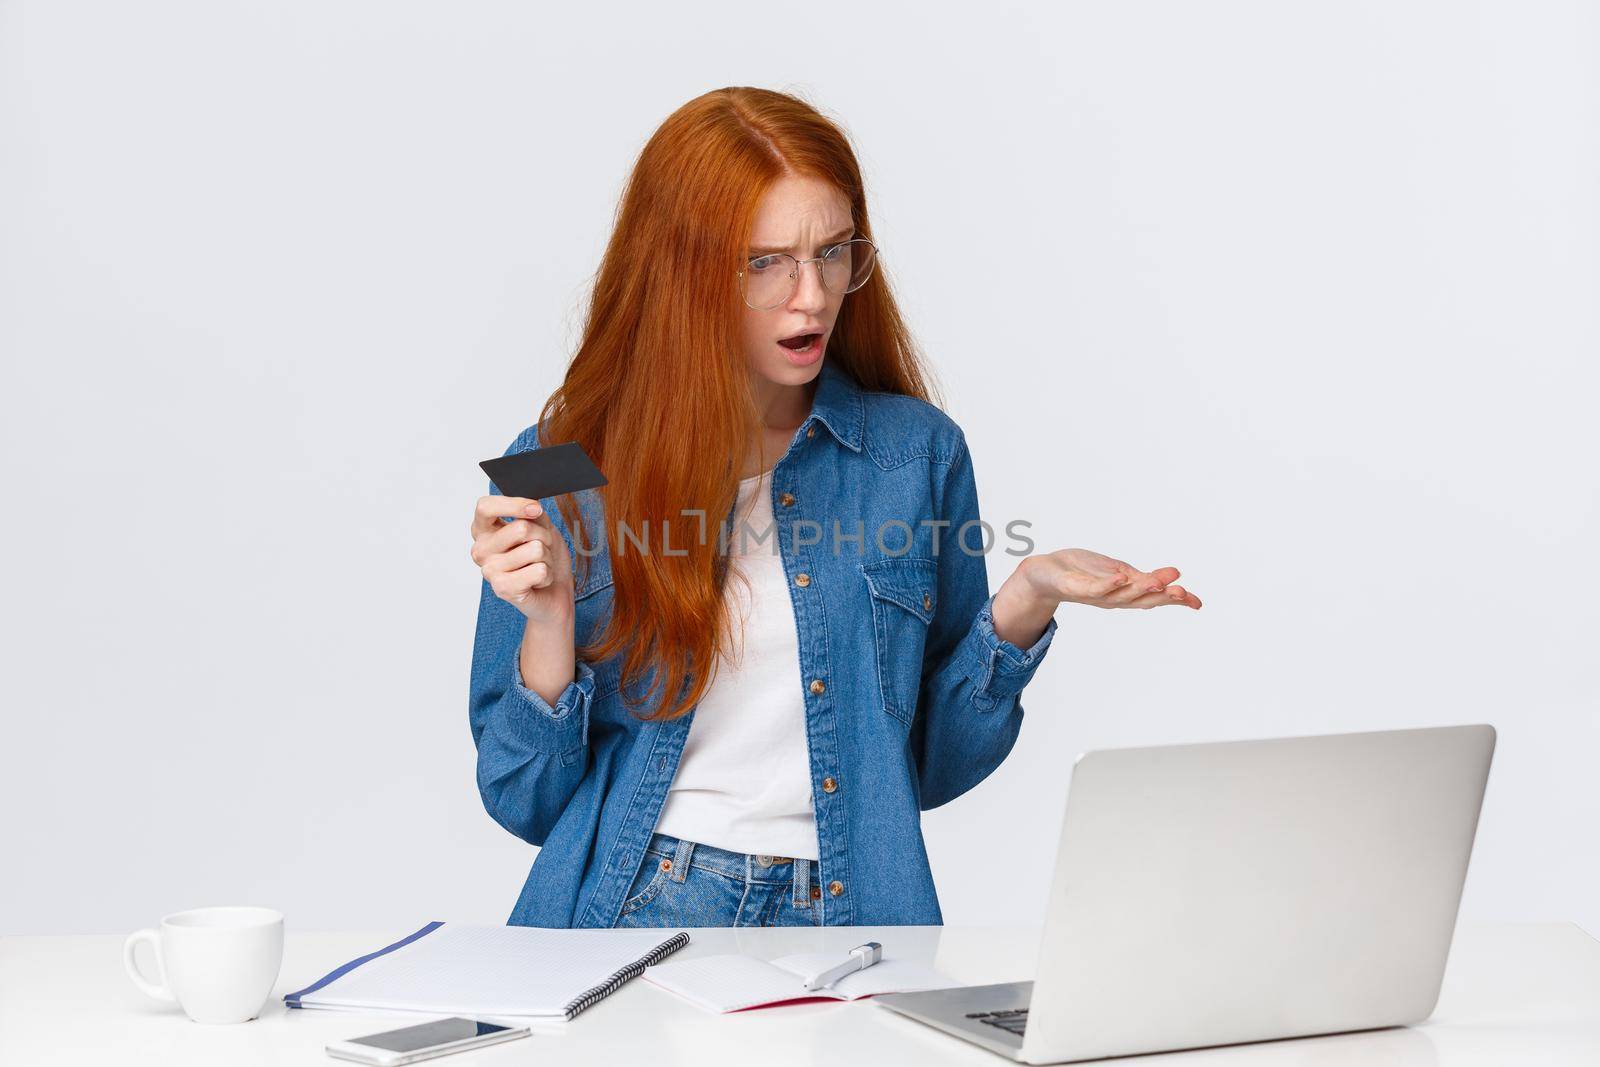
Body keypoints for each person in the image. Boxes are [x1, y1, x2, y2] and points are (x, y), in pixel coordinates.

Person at [466, 87, 1201, 930]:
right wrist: (550, 616)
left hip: (852, 918)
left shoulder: (916, 452)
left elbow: (927, 769)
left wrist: (1026, 601)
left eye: (831, 252)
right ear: (680, 272)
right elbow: (522, 799)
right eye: (763, 261)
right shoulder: (557, 462)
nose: (810, 296)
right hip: (640, 905)